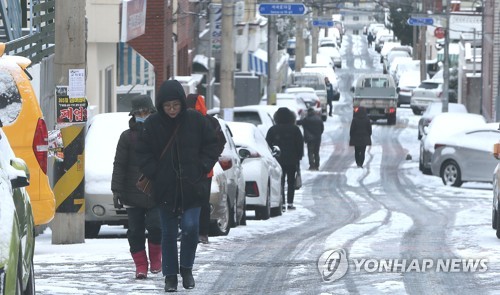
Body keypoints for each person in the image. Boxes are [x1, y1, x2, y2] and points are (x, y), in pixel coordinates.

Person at [136, 80, 219, 292]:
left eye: (176, 105)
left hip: (192, 185)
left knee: (191, 227)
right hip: (165, 187)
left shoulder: (195, 120)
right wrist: (156, 173)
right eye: (167, 106)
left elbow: (213, 143)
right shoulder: (152, 124)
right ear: (161, 106)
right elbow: (142, 153)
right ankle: (170, 276)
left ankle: (187, 268)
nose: (172, 110)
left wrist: (202, 166)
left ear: (182, 103)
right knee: (169, 232)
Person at [111, 94, 161, 279]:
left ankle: (156, 259)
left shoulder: (160, 134)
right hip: (132, 192)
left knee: (156, 226)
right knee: (135, 231)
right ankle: (141, 265)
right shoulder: (126, 137)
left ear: (152, 112)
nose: (143, 115)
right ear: (133, 115)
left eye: (146, 112)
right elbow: (119, 164)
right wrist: (116, 190)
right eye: (139, 112)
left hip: (156, 191)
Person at [185, 93, 226, 245]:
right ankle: (202, 232)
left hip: (198, 170)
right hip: (205, 170)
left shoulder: (185, 120)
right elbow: (220, 143)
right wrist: (210, 160)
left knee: (191, 201)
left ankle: (195, 231)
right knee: (202, 202)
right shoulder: (211, 122)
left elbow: (219, 143)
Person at [266, 107, 304, 210]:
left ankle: (281, 203)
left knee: (280, 182)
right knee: (291, 182)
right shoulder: (295, 129)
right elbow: (300, 144)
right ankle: (290, 203)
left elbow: (267, 145)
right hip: (292, 160)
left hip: (278, 160)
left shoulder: (273, 130)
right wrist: (299, 157)